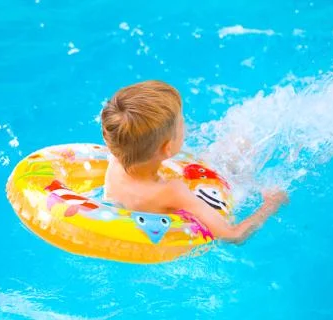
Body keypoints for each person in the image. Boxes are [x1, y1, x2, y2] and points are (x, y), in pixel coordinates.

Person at [101, 80, 288, 244]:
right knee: (238, 148)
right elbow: (233, 235)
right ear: (167, 148)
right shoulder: (171, 191)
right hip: (197, 207)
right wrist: (270, 205)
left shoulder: (114, 162)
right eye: (181, 124)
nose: (186, 125)